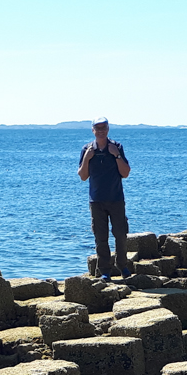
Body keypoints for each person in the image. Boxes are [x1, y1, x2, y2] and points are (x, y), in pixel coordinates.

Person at [77, 117, 132, 280]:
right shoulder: (87, 149)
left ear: (108, 129)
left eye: (104, 127)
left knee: (120, 234)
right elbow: (82, 176)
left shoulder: (117, 147)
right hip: (96, 201)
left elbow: (126, 173)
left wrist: (116, 156)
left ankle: (123, 266)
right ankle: (105, 271)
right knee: (101, 238)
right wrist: (87, 158)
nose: (101, 130)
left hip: (116, 199)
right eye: (97, 128)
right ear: (93, 130)